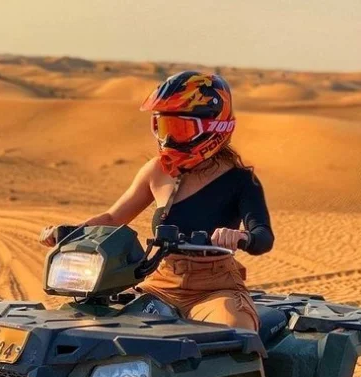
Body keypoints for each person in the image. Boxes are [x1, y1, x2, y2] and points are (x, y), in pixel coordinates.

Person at [39, 71, 274, 331]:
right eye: (163, 127)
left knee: (235, 331)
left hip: (216, 288)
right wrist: (69, 233)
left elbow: (263, 236)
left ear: (212, 127)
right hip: (161, 284)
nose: (168, 138)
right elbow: (112, 218)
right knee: (96, 325)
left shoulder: (241, 180)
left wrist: (240, 237)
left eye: (179, 129)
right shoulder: (157, 171)